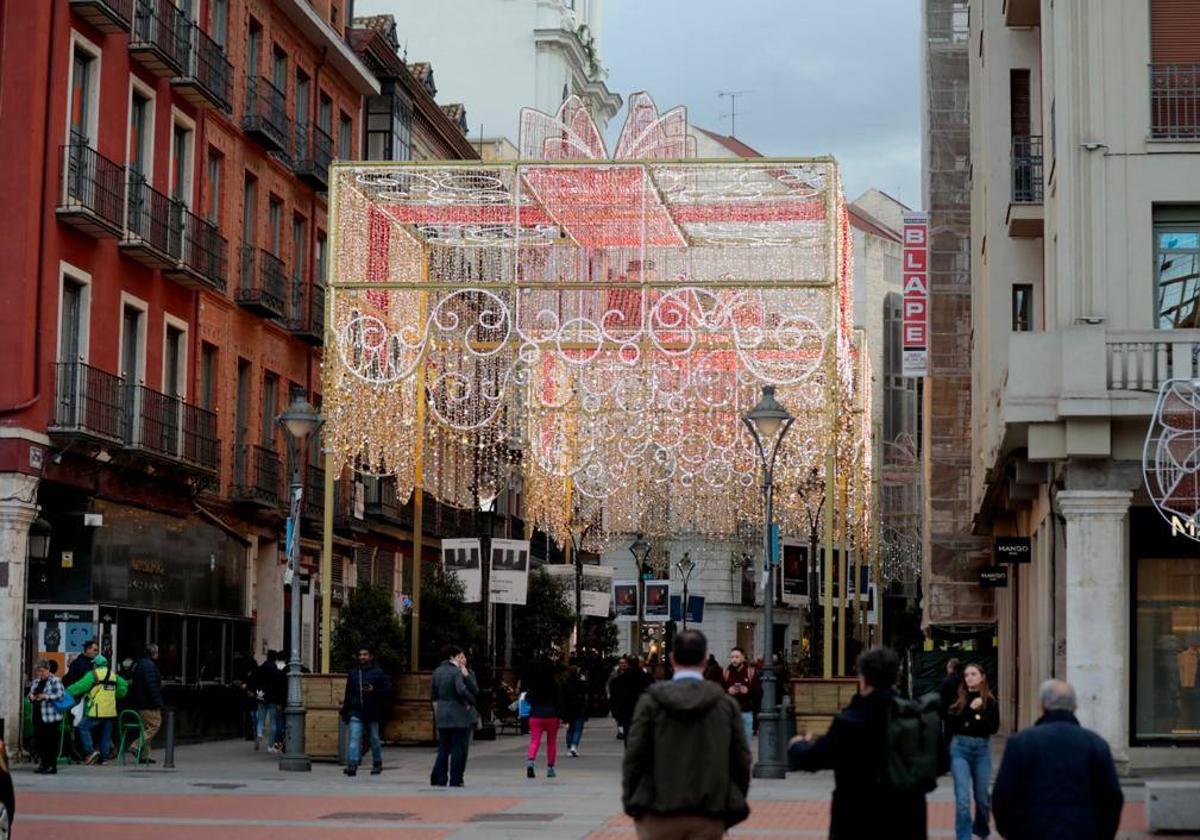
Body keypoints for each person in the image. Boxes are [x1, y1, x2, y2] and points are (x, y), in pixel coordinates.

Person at [622, 630, 751, 839]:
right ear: (705, 659)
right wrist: (730, 804)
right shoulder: (724, 704)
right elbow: (741, 761)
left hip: (656, 812)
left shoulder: (651, 702)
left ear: (672, 659)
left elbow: (634, 756)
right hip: (708, 813)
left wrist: (633, 803)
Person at [788, 646, 927, 839]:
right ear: (896, 678)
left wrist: (798, 744)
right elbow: (938, 763)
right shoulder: (915, 718)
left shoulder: (850, 722)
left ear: (863, 681)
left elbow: (814, 758)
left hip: (857, 820)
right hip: (906, 820)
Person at [992, 680, 1123, 840]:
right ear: (1075, 707)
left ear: (1041, 706)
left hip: (1031, 831)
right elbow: (1112, 797)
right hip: (1083, 831)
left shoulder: (1021, 742)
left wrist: (1012, 832)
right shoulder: (1095, 743)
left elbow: (1003, 795)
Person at [945, 662, 999, 840]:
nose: (969, 677)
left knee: (982, 798)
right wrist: (970, 710)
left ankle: (981, 829)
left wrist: (978, 715)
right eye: (967, 675)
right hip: (960, 749)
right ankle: (963, 836)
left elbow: (992, 728)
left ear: (982, 677)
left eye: (973, 674)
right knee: (962, 799)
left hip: (982, 750)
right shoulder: (958, 699)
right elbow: (953, 725)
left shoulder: (990, 702)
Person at [67, 654, 128, 765]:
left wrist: (68, 690)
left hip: (97, 709)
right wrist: (116, 695)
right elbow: (124, 686)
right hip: (110, 710)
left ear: (95, 665)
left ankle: (90, 752)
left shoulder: (93, 674)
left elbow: (80, 686)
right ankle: (104, 758)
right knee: (106, 734)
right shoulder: (113, 675)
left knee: (83, 727)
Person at [430, 644, 477, 787]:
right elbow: (461, 690)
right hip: (458, 713)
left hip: (442, 713)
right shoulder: (456, 672)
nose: (460, 659)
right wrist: (470, 699)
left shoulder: (437, 672)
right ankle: (455, 779)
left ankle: (441, 778)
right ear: (452, 657)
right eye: (458, 656)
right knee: (457, 747)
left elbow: (433, 693)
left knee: (443, 747)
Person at [341, 646, 392, 776]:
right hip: (356, 710)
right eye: (360, 655)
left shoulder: (378, 673)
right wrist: (346, 710)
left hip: (373, 711)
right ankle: (352, 764)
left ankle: (377, 762)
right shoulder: (353, 673)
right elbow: (348, 692)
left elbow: (387, 692)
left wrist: (373, 690)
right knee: (354, 737)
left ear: (371, 657)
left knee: (374, 739)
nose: (362, 657)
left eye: (365, 654)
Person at [127, 644, 163, 763]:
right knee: (155, 725)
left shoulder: (141, 663)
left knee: (146, 727)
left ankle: (144, 755)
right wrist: (157, 702)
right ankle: (136, 745)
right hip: (148, 703)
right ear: (154, 653)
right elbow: (151, 686)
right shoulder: (149, 665)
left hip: (140, 701)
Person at [27, 659, 65, 774]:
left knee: (51, 742)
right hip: (38, 715)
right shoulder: (36, 681)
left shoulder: (55, 680)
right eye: (38, 671)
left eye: (42, 671)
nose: (40, 674)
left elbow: (61, 695)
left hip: (51, 717)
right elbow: (31, 693)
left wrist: (46, 696)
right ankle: (43, 764)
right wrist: (31, 697)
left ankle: (51, 766)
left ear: (48, 670)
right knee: (40, 742)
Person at [610, 656, 653, 742]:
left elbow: (615, 697)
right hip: (642, 709)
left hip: (626, 710)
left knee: (628, 733)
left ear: (628, 664)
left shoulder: (619, 679)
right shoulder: (646, 677)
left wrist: (617, 711)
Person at [723, 647, 760, 745]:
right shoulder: (726, 672)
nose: (734, 660)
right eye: (732, 657)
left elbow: (759, 693)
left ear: (743, 658)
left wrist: (748, 690)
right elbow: (718, 692)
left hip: (746, 712)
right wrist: (728, 691)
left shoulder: (750, 672)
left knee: (745, 746)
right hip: (730, 713)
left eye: (737, 657)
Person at [561, 666, 588, 758]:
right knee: (578, 729)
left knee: (570, 730)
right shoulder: (580, 683)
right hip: (579, 708)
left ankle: (569, 748)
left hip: (568, 708)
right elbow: (586, 691)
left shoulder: (564, 683)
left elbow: (562, 697)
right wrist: (584, 681)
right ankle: (574, 746)